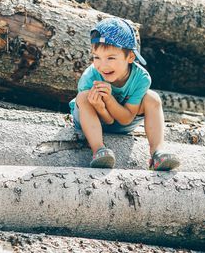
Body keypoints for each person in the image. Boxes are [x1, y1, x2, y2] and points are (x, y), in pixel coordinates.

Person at [69, 17, 180, 170]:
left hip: (123, 121)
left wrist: (108, 99)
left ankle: (157, 153)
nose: (103, 65)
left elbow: (126, 118)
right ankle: (98, 150)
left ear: (130, 57)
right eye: (96, 57)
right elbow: (107, 120)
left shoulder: (141, 78)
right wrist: (100, 107)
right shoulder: (90, 77)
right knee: (83, 97)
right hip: (90, 120)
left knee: (152, 98)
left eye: (111, 58)